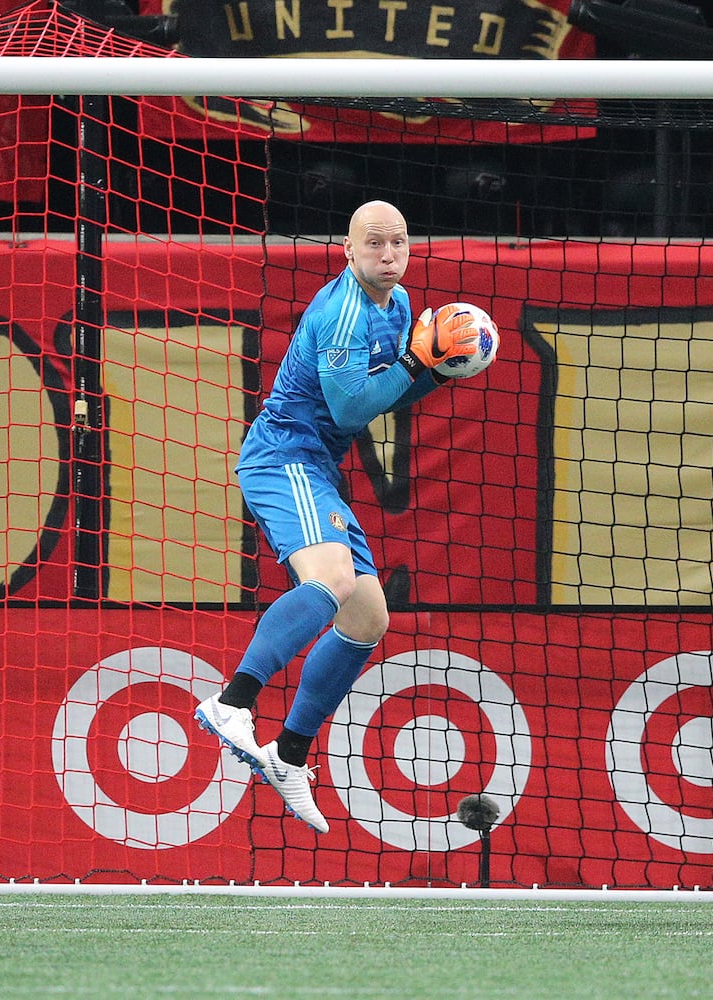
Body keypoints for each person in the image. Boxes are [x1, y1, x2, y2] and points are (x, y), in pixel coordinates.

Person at [195, 200, 485, 833]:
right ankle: (232, 701)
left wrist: (439, 368)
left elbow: (394, 392)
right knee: (330, 583)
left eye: (400, 243)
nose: (389, 255)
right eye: (375, 244)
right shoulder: (342, 309)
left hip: (316, 469)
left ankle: (289, 753)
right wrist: (420, 360)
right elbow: (353, 408)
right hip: (282, 457)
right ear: (348, 253)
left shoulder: (401, 305)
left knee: (367, 617)